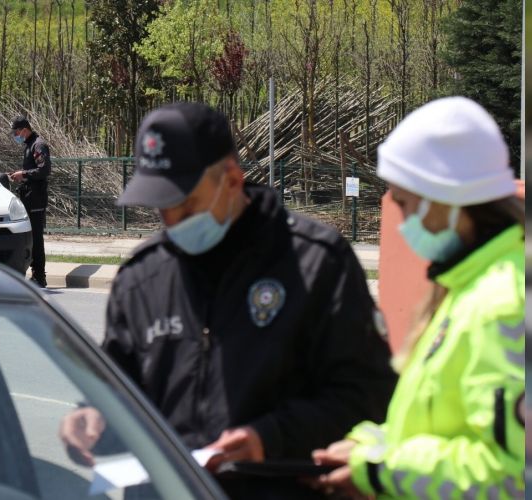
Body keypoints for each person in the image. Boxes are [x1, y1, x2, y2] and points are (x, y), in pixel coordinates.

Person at [59, 102, 398, 498]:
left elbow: (369, 396)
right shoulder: (141, 278)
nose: (173, 220)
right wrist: (93, 416)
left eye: (186, 203)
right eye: (162, 206)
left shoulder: (316, 264)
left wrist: (270, 438)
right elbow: (121, 390)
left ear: (232, 179)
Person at [313, 97, 525, 499]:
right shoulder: (469, 287)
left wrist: (381, 468)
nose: (404, 222)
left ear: (446, 198)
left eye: (406, 203)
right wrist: (371, 445)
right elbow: (440, 427)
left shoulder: (503, 304)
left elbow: (510, 476)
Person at [8, 116, 51, 288]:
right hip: (29, 197)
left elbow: (44, 169)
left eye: (16, 132)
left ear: (24, 130)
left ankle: (39, 276)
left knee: (36, 238)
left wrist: (24, 174)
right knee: (31, 237)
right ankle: (35, 274)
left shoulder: (38, 145)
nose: (15, 136)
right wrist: (20, 175)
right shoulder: (29, 145)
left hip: (36, 199)